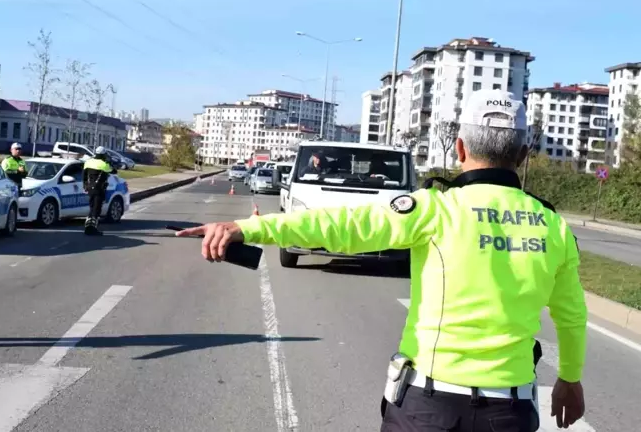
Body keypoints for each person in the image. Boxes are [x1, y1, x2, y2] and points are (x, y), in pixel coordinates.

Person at [176, 89, 588, 431]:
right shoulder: (554, 227)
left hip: (429, 408)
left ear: (459, 148)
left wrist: (251, 229)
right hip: (510, 414)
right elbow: (571, 317)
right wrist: (569, 378)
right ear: (524, 153)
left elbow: (343, 225)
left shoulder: (435, 209)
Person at [83, 146, 116, 236]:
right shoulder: (104, 164)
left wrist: (85, 186)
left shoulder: (88, 162)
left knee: (92, 207)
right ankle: (93, 228)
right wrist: (110, 163)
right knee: (96, 209)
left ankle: (88, 227)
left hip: (89, 188)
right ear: (103, 154)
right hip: (99, 189)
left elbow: (84, 176)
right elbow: (114, 171)